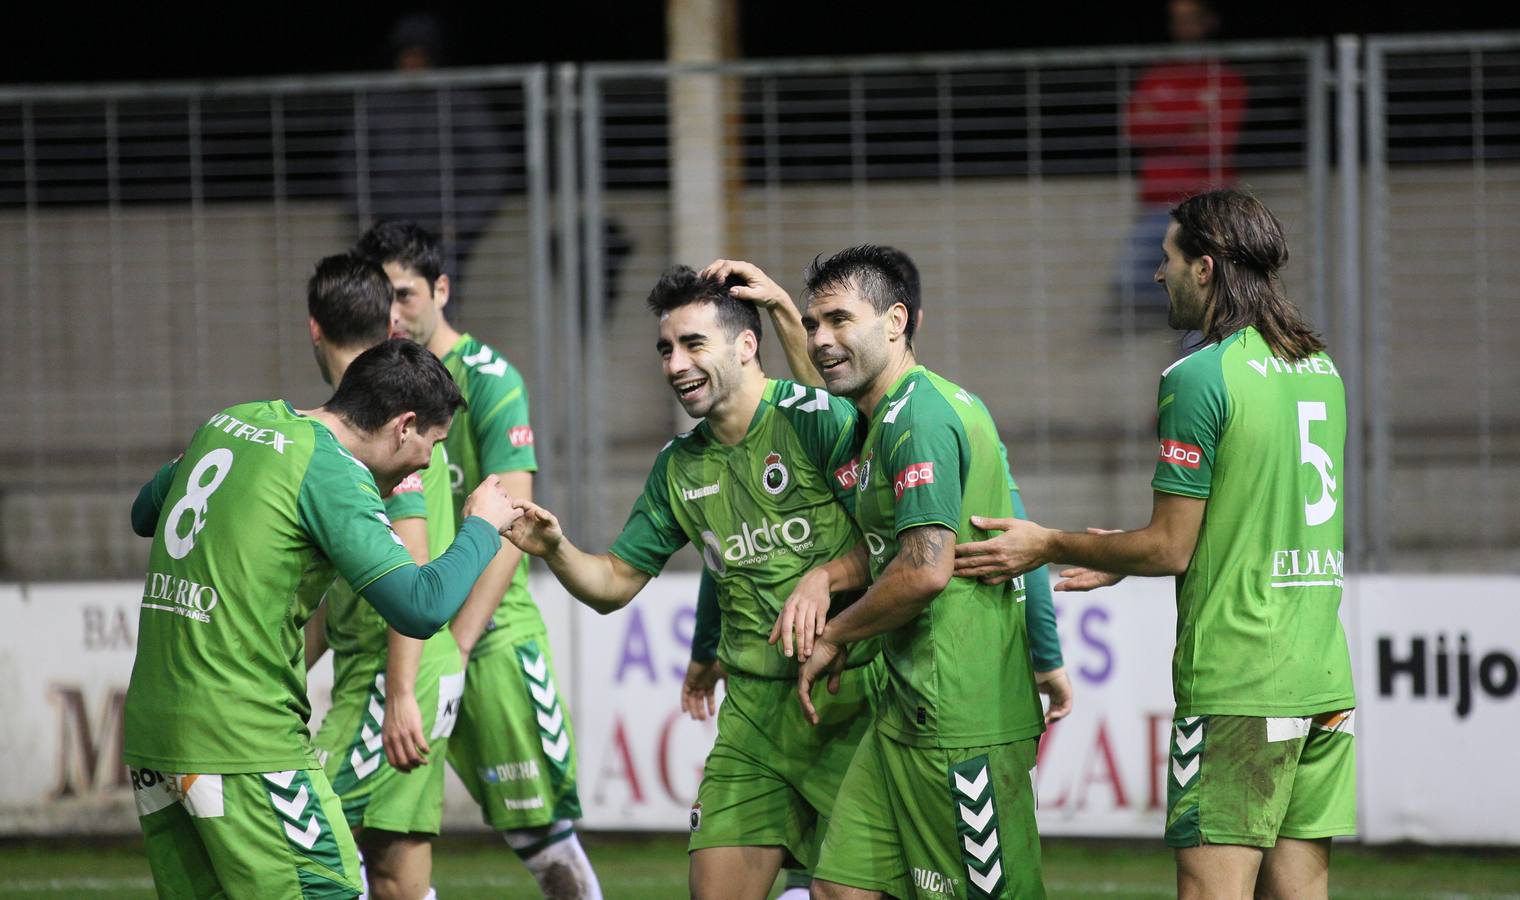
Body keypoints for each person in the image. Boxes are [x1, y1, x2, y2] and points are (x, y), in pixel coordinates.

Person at [954, 189, 1355, 899]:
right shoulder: (1319, 369)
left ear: (1204, 268)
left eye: (1166, 260)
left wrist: (1048, 542)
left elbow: (1170, 548)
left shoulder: (1197, 376)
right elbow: (1242, 520)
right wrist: (1117, 552)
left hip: (1240, 682)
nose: (1155, 274)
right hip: (1322, 676)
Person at [505, 264, 881, 900]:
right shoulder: (676, 469)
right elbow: (614, 583)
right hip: (755, 722)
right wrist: (556, 549)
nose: (675, 364)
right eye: (665, 348)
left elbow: (896, 540)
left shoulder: (817, 419)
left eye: (692, 344)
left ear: (745, 345)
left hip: (854, 704)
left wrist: (827, 575)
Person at [124, 335, 521, 899]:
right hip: (243, 740)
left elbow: (144, 513)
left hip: (152, 735)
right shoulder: (332, 471)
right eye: (432, 445)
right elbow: (420, 604)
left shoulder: (231, 422)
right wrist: (482, 525)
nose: (429, 462)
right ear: (403, 426)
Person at [784, 245, 1048, 899]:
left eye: (840, 320)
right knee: (839, 888)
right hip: (906, 713)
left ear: (896, 321)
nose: (821, 340)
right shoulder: (891, 419)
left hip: (960, 720)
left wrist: (837, 633)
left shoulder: (919, 419)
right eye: (814, 325)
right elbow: (892, 548)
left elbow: (925, 569)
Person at [357, 221, 602, 899]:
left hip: (486, 640)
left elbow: (513, 522)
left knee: (543, 841)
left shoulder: (491, 380)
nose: (393, 312)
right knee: (383, 843)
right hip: (413, 636)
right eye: (381, 298)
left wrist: (458, 648)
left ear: (441, 288)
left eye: (405, 293)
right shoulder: (376, 383)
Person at [300, 253, 464, 900]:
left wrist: (398, 693)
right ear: (391, 320)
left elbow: (413, 559)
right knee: (395, 871)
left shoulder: (379, 419)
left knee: (301, 828)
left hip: (397, 669)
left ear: (314, 328)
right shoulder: (380, 406)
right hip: (396, 664)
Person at [1114, 0, 1247, 330]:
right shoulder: (1157, 76)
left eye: (1191, 20)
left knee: (1206, 298)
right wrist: (1192, 121)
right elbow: (1132, 129)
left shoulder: (1225, 79)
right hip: (1156, 206)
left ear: (1210, 22)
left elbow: (1215, 141)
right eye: (1178, 21)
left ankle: (1196, 359)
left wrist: (1164, 119)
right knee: (1128, 287)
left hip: (1205, 210)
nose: (1184, 29)